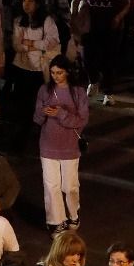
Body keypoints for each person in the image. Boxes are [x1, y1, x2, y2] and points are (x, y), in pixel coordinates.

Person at [32, 57, 88, 233]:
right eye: (53, 73)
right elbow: (37, 119)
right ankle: (56, 221)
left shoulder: (78, 92)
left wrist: (60, 113)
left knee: (70, 186)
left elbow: (82, 121)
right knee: (51, 186)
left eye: (59, 72)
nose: (55, 76)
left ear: (68, 72)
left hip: (70, 146)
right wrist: (43, 112)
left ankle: (73, 213)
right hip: (48, 144)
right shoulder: (44, 90)